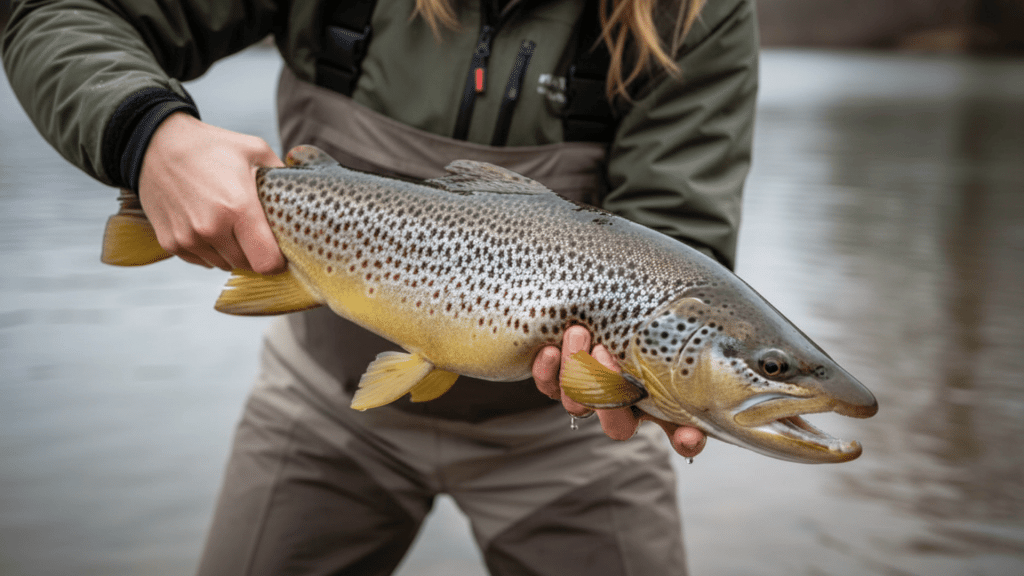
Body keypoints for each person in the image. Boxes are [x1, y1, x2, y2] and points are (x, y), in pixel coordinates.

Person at [3, 0, 758, 573]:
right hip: (322, 404)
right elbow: (53, 12)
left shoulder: (697, 13)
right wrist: (148, 135)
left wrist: (659, 383)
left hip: (572, 436)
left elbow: (677, 252)